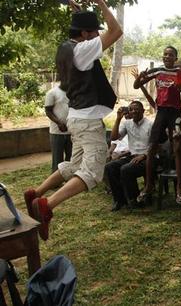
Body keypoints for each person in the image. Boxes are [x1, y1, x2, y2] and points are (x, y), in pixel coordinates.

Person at [23, 0, 123, 241]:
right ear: (84, 34)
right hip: (87, 122)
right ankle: (47, 205)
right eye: (94, 31)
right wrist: (101, 4)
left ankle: (35, 192)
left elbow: (86, 34)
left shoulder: (66, 48)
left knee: (75, 165)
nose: (98, 34)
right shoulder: (82, 49)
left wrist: (80, 14)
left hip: (77, 118)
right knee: (92, 172)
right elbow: (117, 31)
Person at [133, 46, 181, 204]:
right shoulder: (157, 71)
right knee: (152, 147)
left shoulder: (179, 72)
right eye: (165, 54)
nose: (167, 56)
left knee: (177, 148)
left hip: (175, 114)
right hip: (161, 113)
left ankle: (180, 188)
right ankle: (148, 185)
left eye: (170, 55)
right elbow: (136, 86)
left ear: (175, 57)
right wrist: (140, 77)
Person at [105, 101, 152, 211]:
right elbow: (113, 137)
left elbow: (156, 146)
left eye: (136, 109)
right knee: (110, 167)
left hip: (148, 158)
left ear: (143, 111)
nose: (133, 111)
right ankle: (119, 201)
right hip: (132, 156)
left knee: (126, 169)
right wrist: (118, 118)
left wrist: (143, 156)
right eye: (131, 109)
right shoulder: (127, 124)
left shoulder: (150, 124)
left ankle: (135, 200)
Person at [44, 83, 72, 173]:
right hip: (57, 132)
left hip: (72, 131)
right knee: (57, 158)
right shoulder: (52, 93)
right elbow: (48, 111)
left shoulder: (74, 92)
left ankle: (69, 178)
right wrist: (59, 123)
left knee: (71, 158)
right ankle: (56, 182)